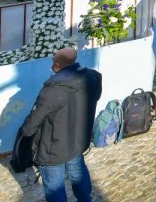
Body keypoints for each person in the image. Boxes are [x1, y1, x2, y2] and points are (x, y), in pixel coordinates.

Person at [19, 47, 103, 202]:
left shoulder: (52, 91)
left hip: (53, 149)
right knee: (79, 175)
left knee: (54, 187)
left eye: (53, 60)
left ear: (57, 65)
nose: (51, 63)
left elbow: (31, 126)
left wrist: (24, 133)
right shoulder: (91, 77)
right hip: (77, 141)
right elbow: (95, 96)